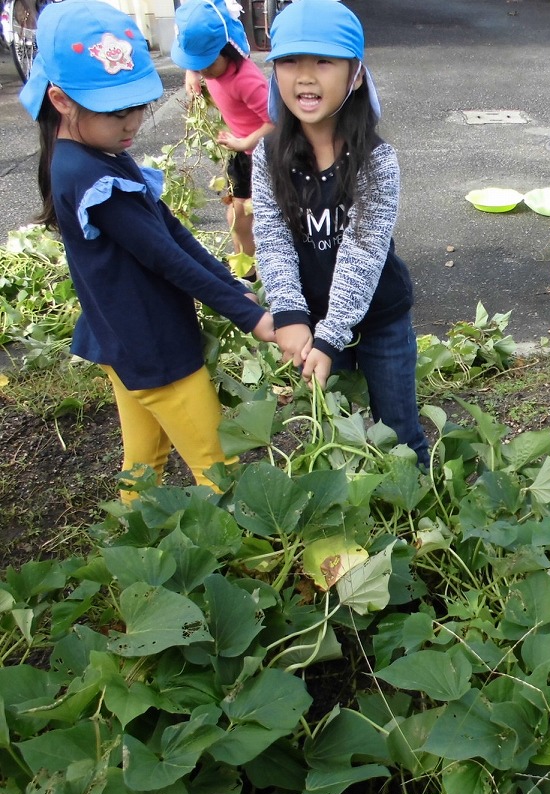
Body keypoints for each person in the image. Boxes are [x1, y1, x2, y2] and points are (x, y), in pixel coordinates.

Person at [20, 0, 276, 499]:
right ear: (61, 100)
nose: (133, 122)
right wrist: (251, 318)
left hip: (123, 338)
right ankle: (253, 557)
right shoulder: (90, 175)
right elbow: (166, 257)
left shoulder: (98, 155)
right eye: (117, 111)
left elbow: (171, 232)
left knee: (144, 462)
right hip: (154, 346)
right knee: (218, 469)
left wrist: (232, 286)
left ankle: (136, 536)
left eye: (138, 105)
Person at [251, 0, 429, 467]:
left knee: (400, 433)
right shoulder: (267, 157)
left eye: (323, 62)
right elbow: (271, 237)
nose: (305, 77)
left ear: (355, 74)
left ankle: (419, 516)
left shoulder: (376, 160)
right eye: (289, 61)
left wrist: (331, 337)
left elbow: (364, 252)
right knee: (341, 434)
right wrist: (289, 311)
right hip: (312, 323)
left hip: (378, 319)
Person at [171, 0, 274, 259]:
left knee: (243, 217)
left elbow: (276, 123)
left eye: (206, 64)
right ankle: (243, 266)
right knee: (234, 216)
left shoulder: (247, 81)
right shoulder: (212, 67)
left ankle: (251, 273)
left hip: (258, 155)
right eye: (197, 64)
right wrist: (192, 72)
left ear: (228, 50)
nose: (203, 70)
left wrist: (245, 142)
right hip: (240, 150)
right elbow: (198, 61)